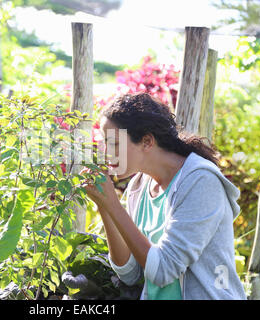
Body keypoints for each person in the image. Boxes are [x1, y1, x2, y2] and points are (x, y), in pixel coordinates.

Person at [81, 92, 247, 300]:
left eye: (114, 143)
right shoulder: (139, 186)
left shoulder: (201, 182)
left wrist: (113, 205)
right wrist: (104, 206)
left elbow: (163, 271)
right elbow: (130, 274)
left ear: (147, 141)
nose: (106, 152)